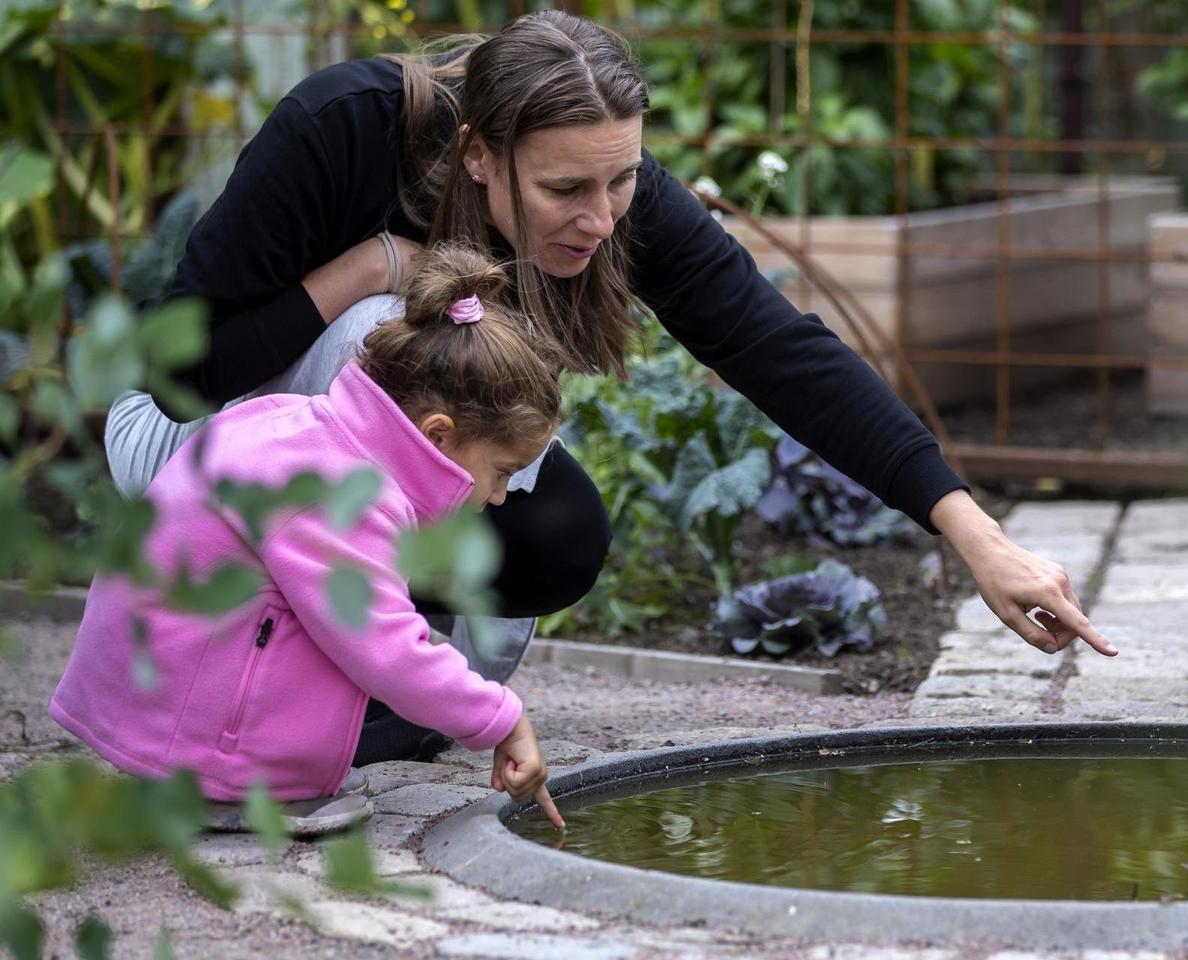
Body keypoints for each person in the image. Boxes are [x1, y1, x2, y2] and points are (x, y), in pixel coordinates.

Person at [105, 10, 1116, 764]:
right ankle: (251, 697)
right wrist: (368, 267)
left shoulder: (610, 187)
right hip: (189, 454)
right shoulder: (342, 128)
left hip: (343, 462)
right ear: (478, 154)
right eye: (565, 191)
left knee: (553, 533)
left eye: (621, 181)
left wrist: (976, 533)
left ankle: (366, 714)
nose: (599, 217)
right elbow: (177, 374)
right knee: (390, 340)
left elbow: (779, 349)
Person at [54, 245, 569, 836]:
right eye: (502, 472)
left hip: (147, 700)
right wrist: (502, 721)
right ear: (439, 435)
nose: (502, 496)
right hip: (192, 736)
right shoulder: (344, 491)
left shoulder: (297, 423)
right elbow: (387, 649)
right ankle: (232, 786)